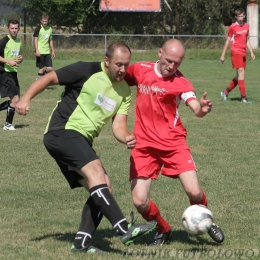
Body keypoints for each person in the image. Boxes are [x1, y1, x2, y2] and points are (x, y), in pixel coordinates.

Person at [15, 42, 156, 253]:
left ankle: (81, 244)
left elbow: (118, 126)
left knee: (103, 187)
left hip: (81, 140)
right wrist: (25, 99)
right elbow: (49, 78)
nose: (122, 70)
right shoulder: (86, 70)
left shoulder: (125, 91)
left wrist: (126, 137)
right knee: (96, 171)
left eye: (126, 65)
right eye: (118, 64)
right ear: (106, 61)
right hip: (62, 131)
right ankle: (124, 229)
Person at [124, 39, 225, 246]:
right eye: (169, 60)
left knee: (194, 192)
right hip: (143, 145)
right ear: (160, 53)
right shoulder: (139, 69)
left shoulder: (181, 82)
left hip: (173, 142)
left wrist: (202, 109)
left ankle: (207, 219)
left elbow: (194, 107)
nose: (171, 66)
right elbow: (117, 79)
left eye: (177, 63)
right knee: (139, 201)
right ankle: (163, 230)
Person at [220, 8, 255, 103]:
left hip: (244, 52)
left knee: (239, 75)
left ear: (244, 16)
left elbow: (246, 40)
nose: (240, 18)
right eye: (238, 16)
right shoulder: (232, 27)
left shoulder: (247, 26)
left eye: (242, 16)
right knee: (241, 72)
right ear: (236, 17)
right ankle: (243, 98)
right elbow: (228, 41)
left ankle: (225, 92)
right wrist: (223, 55)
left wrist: (251, 52)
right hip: (235, 52)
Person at [0, 19, 23, 130]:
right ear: (8, 29)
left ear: (19, 29)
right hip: (4, 72)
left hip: (13, 72)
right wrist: (9, 61)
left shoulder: (19, 41)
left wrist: (20, 59)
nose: (14, 30)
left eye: (16, 28)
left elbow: (16, 56)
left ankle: (7, 124)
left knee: (16, 100)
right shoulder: (4, 41)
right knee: (15, 99)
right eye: (12, 28)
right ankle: (8, 125)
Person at [33, 14, 55, 80]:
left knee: (50, 69)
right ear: (41, 21)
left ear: (48, 21)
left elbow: (50, 40)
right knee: (41, 68)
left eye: (46, 21)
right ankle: (39, 83)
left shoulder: (50, 29)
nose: (44, 23)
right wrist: (36, 50)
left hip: (47, 51)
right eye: (43, 21)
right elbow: (35, 39)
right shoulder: (38, 28)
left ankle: (42, 77)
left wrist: (53, 51)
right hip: (40, 51)